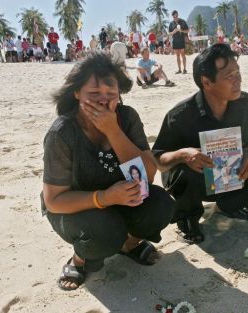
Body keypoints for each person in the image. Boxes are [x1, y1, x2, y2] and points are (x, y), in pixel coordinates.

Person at [42, 52, 174, 291]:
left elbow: (148, 175)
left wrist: (113, 131)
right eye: (93, 95)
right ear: (76, 93)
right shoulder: (62, 133)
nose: (103, 101)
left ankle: (130, 244)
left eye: (111, 95)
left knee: (161, 204)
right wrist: (103, 198)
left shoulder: (127, 117)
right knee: (104, 232)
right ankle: (79, 259)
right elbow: (54, 201)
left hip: (122, 197)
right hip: (75, 209)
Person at [152, 44, 248, 244]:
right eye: (229, 76)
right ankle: (187, 219)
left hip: (231, 177)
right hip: (194, 183)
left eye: (238, 72)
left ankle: (231, 207)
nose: (238, 79)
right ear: (206, 82)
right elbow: (158, 160)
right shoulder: (180, 115)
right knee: (186, 172)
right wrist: (184, 155)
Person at [168, 10, 189, 74]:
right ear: (172, 17)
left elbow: (187, 30)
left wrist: (181, 30)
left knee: (183, 55)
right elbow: (169, 33)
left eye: (176, 16)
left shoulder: (182, 21)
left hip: (181, 40)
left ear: (178, 15)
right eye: (174, 17)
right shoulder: (171, 23)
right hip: (175, 41)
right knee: (177, 56)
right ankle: (179, 69)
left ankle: (184, 69)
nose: (176, 18)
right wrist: (174, 32)